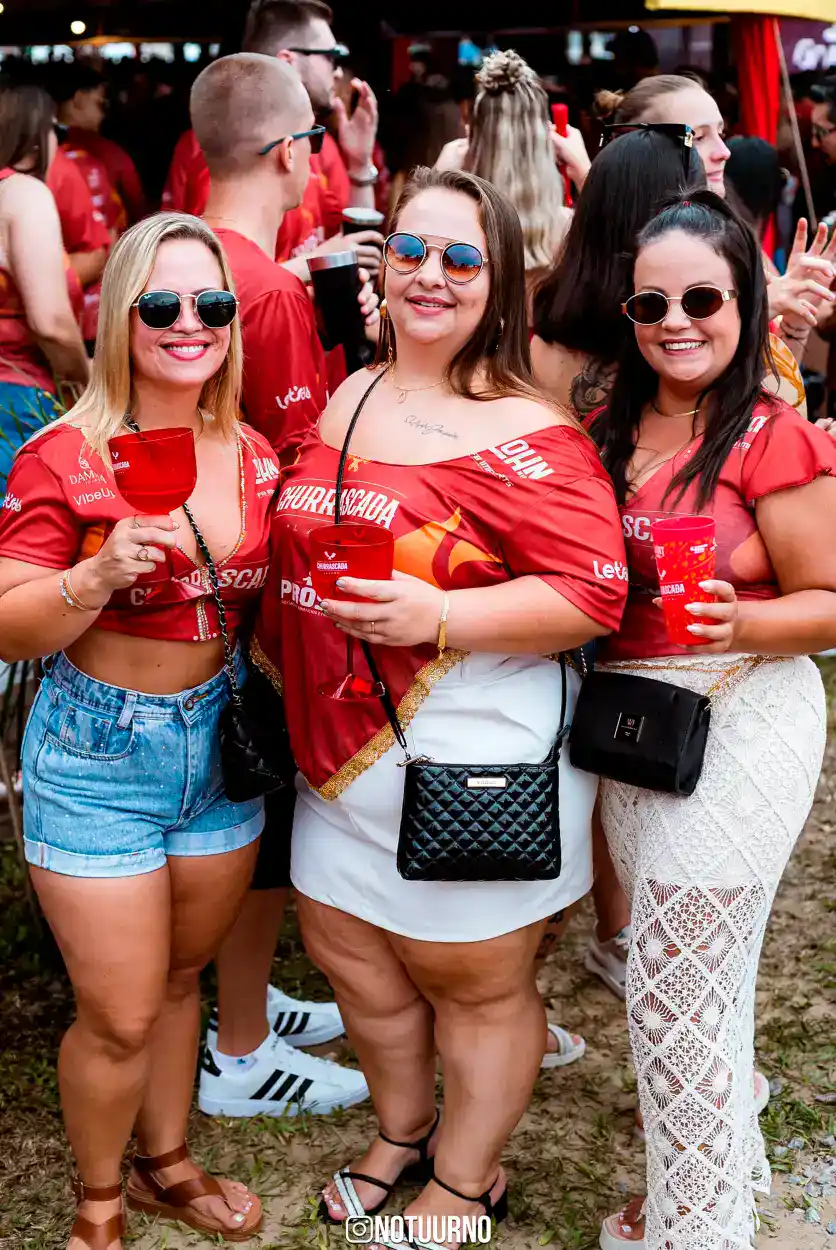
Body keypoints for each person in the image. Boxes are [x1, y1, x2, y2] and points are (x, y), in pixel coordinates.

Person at [250, 166, 628, 1248]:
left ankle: (464, 1181)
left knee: (474, 982)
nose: (429, 275)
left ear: (498, 280)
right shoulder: (349, 393)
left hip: (469, 755)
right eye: (409, 250)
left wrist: (441, 613)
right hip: (335, 753)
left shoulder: (527, 429)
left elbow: (592, 593)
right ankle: (404, 1131)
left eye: (461, 258)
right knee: (352, 956)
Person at [0, 213, 276, 1247]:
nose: (189, 323)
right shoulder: (65, 454)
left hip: (218, 745)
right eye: (162, 304)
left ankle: (165, 1164)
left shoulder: (252, 452)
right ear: (120, 316)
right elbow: (7, 618)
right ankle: (98, 1205)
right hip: (98, 752)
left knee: (176, 979)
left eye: (212, 303)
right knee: (117, 1012)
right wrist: (93, 576)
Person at [590, 190, 836, 1250]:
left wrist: (748, 617)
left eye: (703, 299)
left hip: (745, 711)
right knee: (698, 979)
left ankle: (702, 1228)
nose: (675, 322)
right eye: (651, 303)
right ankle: (705, 1184)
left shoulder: (770, 435)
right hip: (632, 730)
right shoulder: (603, 428)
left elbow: (831, 599)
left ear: (745, 302)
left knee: (672, 985)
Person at [192, 50, 379, 1120]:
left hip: (191, 574)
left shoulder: (174, 253)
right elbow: (304, 455)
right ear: (289, 151)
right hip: (253, 584)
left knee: (231, 802)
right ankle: (242, 1046)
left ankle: (244, 1001)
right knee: (255, 807)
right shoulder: (259, 288)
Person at [595, 74, 836, 365]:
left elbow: (774, 381)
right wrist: (757, 311)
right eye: (698, 137)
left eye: (720, 133)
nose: (724, 152)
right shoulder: (609, 255)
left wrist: (796, 319)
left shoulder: (733, 238)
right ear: (643, 145)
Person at [164, 0, 384, 279]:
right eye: (331, 55)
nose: (338, 71)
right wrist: (315, 263)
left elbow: (352, 243)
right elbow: (218, 284)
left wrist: (359, 163)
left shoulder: (318, 144)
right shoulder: (234, 150)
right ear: (288, 61)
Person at [0, 81, 88, 480]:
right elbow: (50, 322)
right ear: (35, 136)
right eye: (59, 131)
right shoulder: (23, 193)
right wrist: (87, 385)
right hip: (15, 401)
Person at [435, 50, 572, 289]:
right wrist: (584, 170)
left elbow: (398, 265)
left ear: (474, 139)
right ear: (543, 138)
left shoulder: (452, 228)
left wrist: (437, 183)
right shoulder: (570, 229)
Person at [53, 63, 146, 224]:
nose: (102, 115)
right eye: (100, 104)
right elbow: (139, 213)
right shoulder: (109, 155)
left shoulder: (35, 151)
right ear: (79, 99)